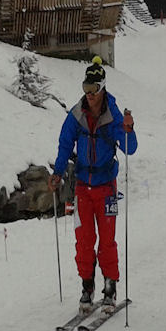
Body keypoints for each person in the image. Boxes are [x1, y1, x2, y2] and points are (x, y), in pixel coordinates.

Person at [49, 56, 137, 312]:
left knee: (107, 241)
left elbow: (130, 148)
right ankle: (87, 286)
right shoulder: (77, 114)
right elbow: (65, 143)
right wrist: (57, 172)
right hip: (82, 188)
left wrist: (129, 130)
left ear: (102, 88)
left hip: (106, 187)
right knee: (84, 240)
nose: (89, 94)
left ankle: (110, 286)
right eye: (86, 88)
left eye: (94, 89)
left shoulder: (113, 115)